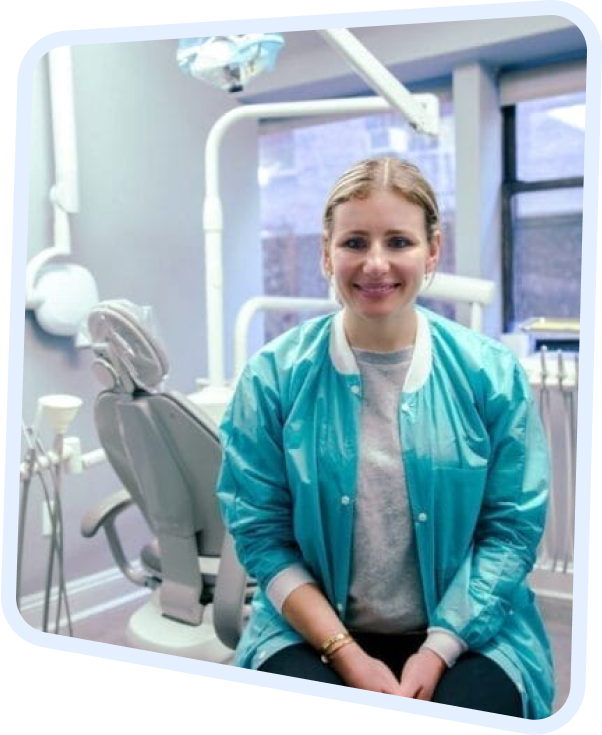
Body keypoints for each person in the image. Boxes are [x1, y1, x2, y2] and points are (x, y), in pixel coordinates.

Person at [215, 156, 555, 719]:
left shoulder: (489, 375)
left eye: (399, 241)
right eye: (354, 243)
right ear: (327, 253)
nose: (376, 264)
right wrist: (344, 652)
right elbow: (261, 533)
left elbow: (511, 529)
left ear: (432, 251)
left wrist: (440, 647)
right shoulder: (272, 378)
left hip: (472, 629)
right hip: (313, 628)